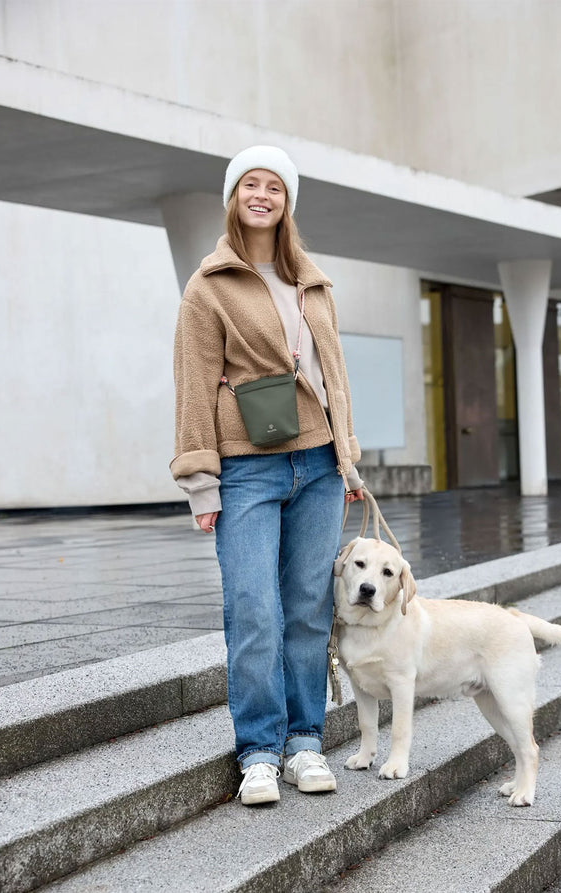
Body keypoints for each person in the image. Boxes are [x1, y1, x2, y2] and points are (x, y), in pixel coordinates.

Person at [171, 145, 364, 806]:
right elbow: (193, 386)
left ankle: (305, 742)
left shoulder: (314, 282)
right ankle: (258, 750)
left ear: (287, 202)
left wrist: (347, 458)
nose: (261, 194)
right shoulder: (209, 285)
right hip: (246, 469)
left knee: (309, 609)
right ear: (234, 197)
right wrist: (200, 481)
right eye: (250, 184)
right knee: (254, 608)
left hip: (319, 466)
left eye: (273, 186)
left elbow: (333, 377)